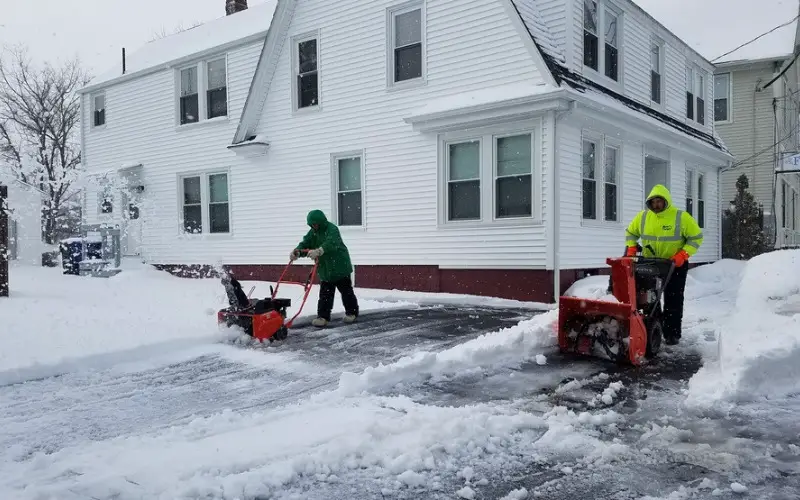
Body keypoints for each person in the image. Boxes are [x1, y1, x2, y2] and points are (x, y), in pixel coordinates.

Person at [623, 184, 703, 345]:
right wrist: (631, 248)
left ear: (666, 201)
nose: (656, 205)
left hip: (675, 265)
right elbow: (631, 232)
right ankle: (653, 329)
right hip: (650, 264)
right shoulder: (643, 217)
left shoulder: (681, 217)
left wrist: (683, 254)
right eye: (653, 202)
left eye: (659, 201)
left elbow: (696, 237)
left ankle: (672, 334)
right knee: (649, 299)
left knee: (673, 299)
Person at [290, 209, 359, 327]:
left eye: (316, 223)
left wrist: (319, 250)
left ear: (321, 221)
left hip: (340, 267)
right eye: (312, 224)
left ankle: (352, 313)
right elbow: (305, 244)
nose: (314, 226)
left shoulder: (332, 229)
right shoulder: (313, 233)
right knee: (325, 294)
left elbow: (331, 243)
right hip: (326, 269)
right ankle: (323, 317)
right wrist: (297, 252)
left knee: (346, 292)